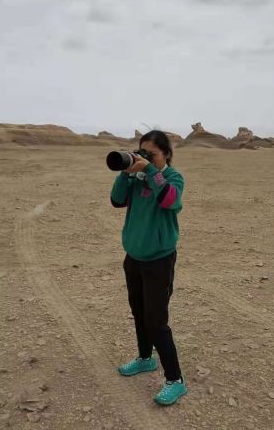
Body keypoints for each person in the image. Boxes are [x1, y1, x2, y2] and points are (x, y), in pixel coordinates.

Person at [110, 130, 187, 406]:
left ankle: (175, 380)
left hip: (159, 260)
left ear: (166, 154)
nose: (146, 159)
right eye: (142, 153)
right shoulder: (137, 178)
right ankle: (145, 358)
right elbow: (117, 200)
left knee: (156, 320)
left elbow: (169, 200)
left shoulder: (173, 178)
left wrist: (151, 172)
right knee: (139, 312)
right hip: (134, 257)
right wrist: (126, 173)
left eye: (152, 154)